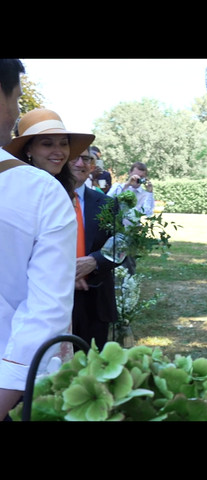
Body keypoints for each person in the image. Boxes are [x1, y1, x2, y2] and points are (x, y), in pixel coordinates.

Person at [0, 60, 77, 420]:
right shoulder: (37, 190)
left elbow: (114, 241)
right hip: (21, 359)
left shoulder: (83, 195)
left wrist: (97, 261)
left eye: (64, 143)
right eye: (48, 143)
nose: (59, 151)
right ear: (28, 149)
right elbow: (44, 312)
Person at [68, 147, 121, 350]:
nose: (80, 164)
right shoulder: (44, 199)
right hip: (53, 299)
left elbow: (123, 243)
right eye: (75, 157)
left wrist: (95, 261)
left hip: (96, 302)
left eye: (86, 159)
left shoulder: (107, 204)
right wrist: (66, 273)